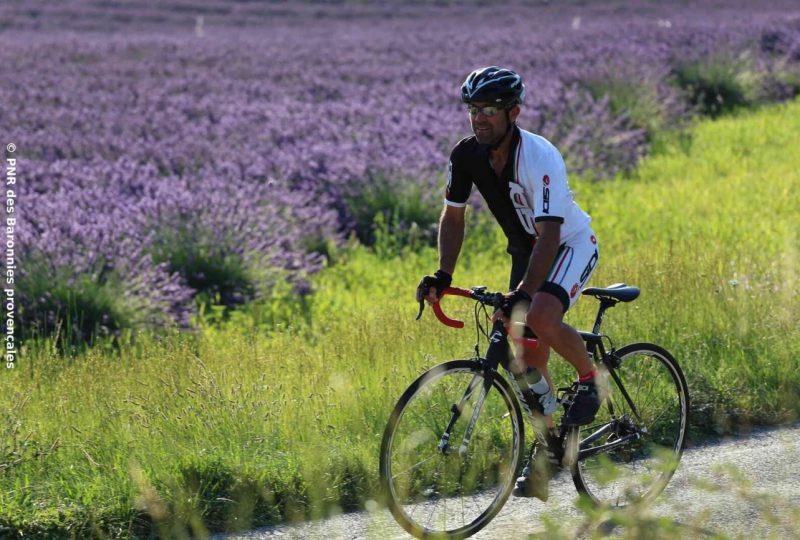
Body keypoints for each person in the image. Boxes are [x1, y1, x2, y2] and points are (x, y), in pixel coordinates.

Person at [415, 66, 601, 501]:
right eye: (473, 109)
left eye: (490, 110)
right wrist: (444, 274)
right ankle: (552, 449)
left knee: (537, 313)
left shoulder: (540, 156)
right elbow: (454, 215)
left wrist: (524, 291)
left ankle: (593, 378)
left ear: (513, 112)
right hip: (525, 251)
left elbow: (551, 234)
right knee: (524, 356)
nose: (479, 118)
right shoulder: (466, 156)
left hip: (567, 244)